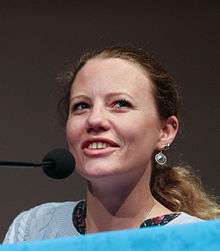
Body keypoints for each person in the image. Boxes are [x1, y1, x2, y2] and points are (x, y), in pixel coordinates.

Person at [3, 45, 219, 243]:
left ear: (165, 131)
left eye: (120, 104)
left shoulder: (200, 241)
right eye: (81, 106)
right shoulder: (33, 228)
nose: (95, 119)